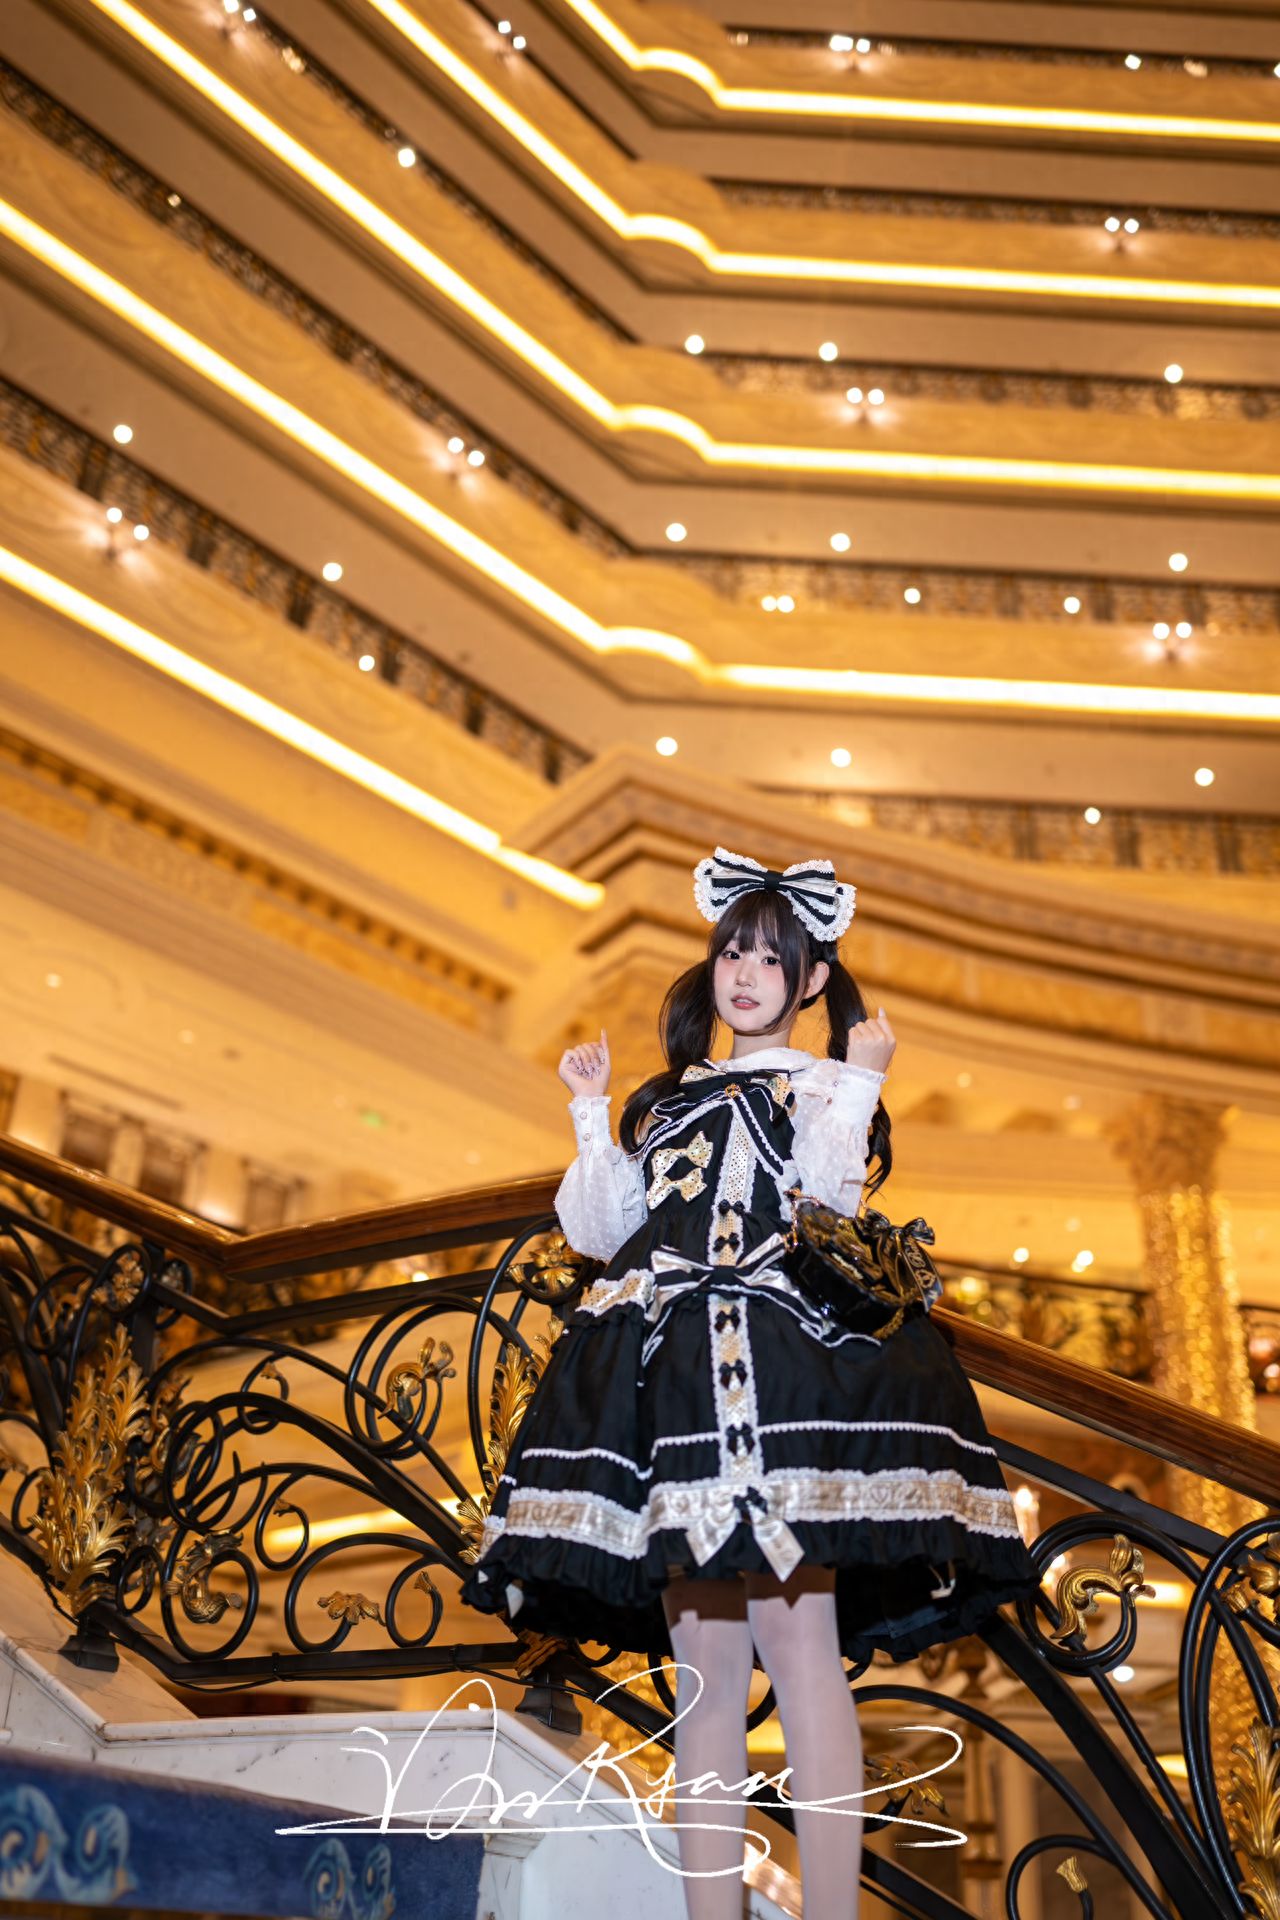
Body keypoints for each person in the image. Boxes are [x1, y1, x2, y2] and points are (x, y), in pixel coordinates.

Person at [459, 846, 1042, 1918]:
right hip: (669, 1385)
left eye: (769, 959)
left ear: (808, 979)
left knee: (798, 1643)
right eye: (731, 951)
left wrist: (861, 1075)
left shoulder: (821, 1085)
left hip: (776, 1381)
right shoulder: (667, 1096)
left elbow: (825, 1202)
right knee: (702, 1675)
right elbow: (599, 1228)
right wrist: (590, 1111)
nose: (742, 974)